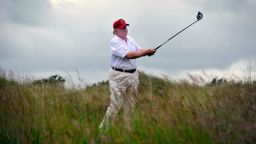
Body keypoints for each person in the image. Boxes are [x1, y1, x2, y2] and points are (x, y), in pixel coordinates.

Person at [99, 19, 156, 131]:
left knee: (130, 106)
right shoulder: (115, 41)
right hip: (118, 76)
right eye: (122, 28)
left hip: (133, 76)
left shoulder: (130, 39)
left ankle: (128, 132)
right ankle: (102, 131)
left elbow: (140, 50)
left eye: (126, 27)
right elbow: (129, 55)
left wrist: (148, 52)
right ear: (116, 31)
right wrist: (145, 53)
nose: (125, 29)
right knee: (115, 105)